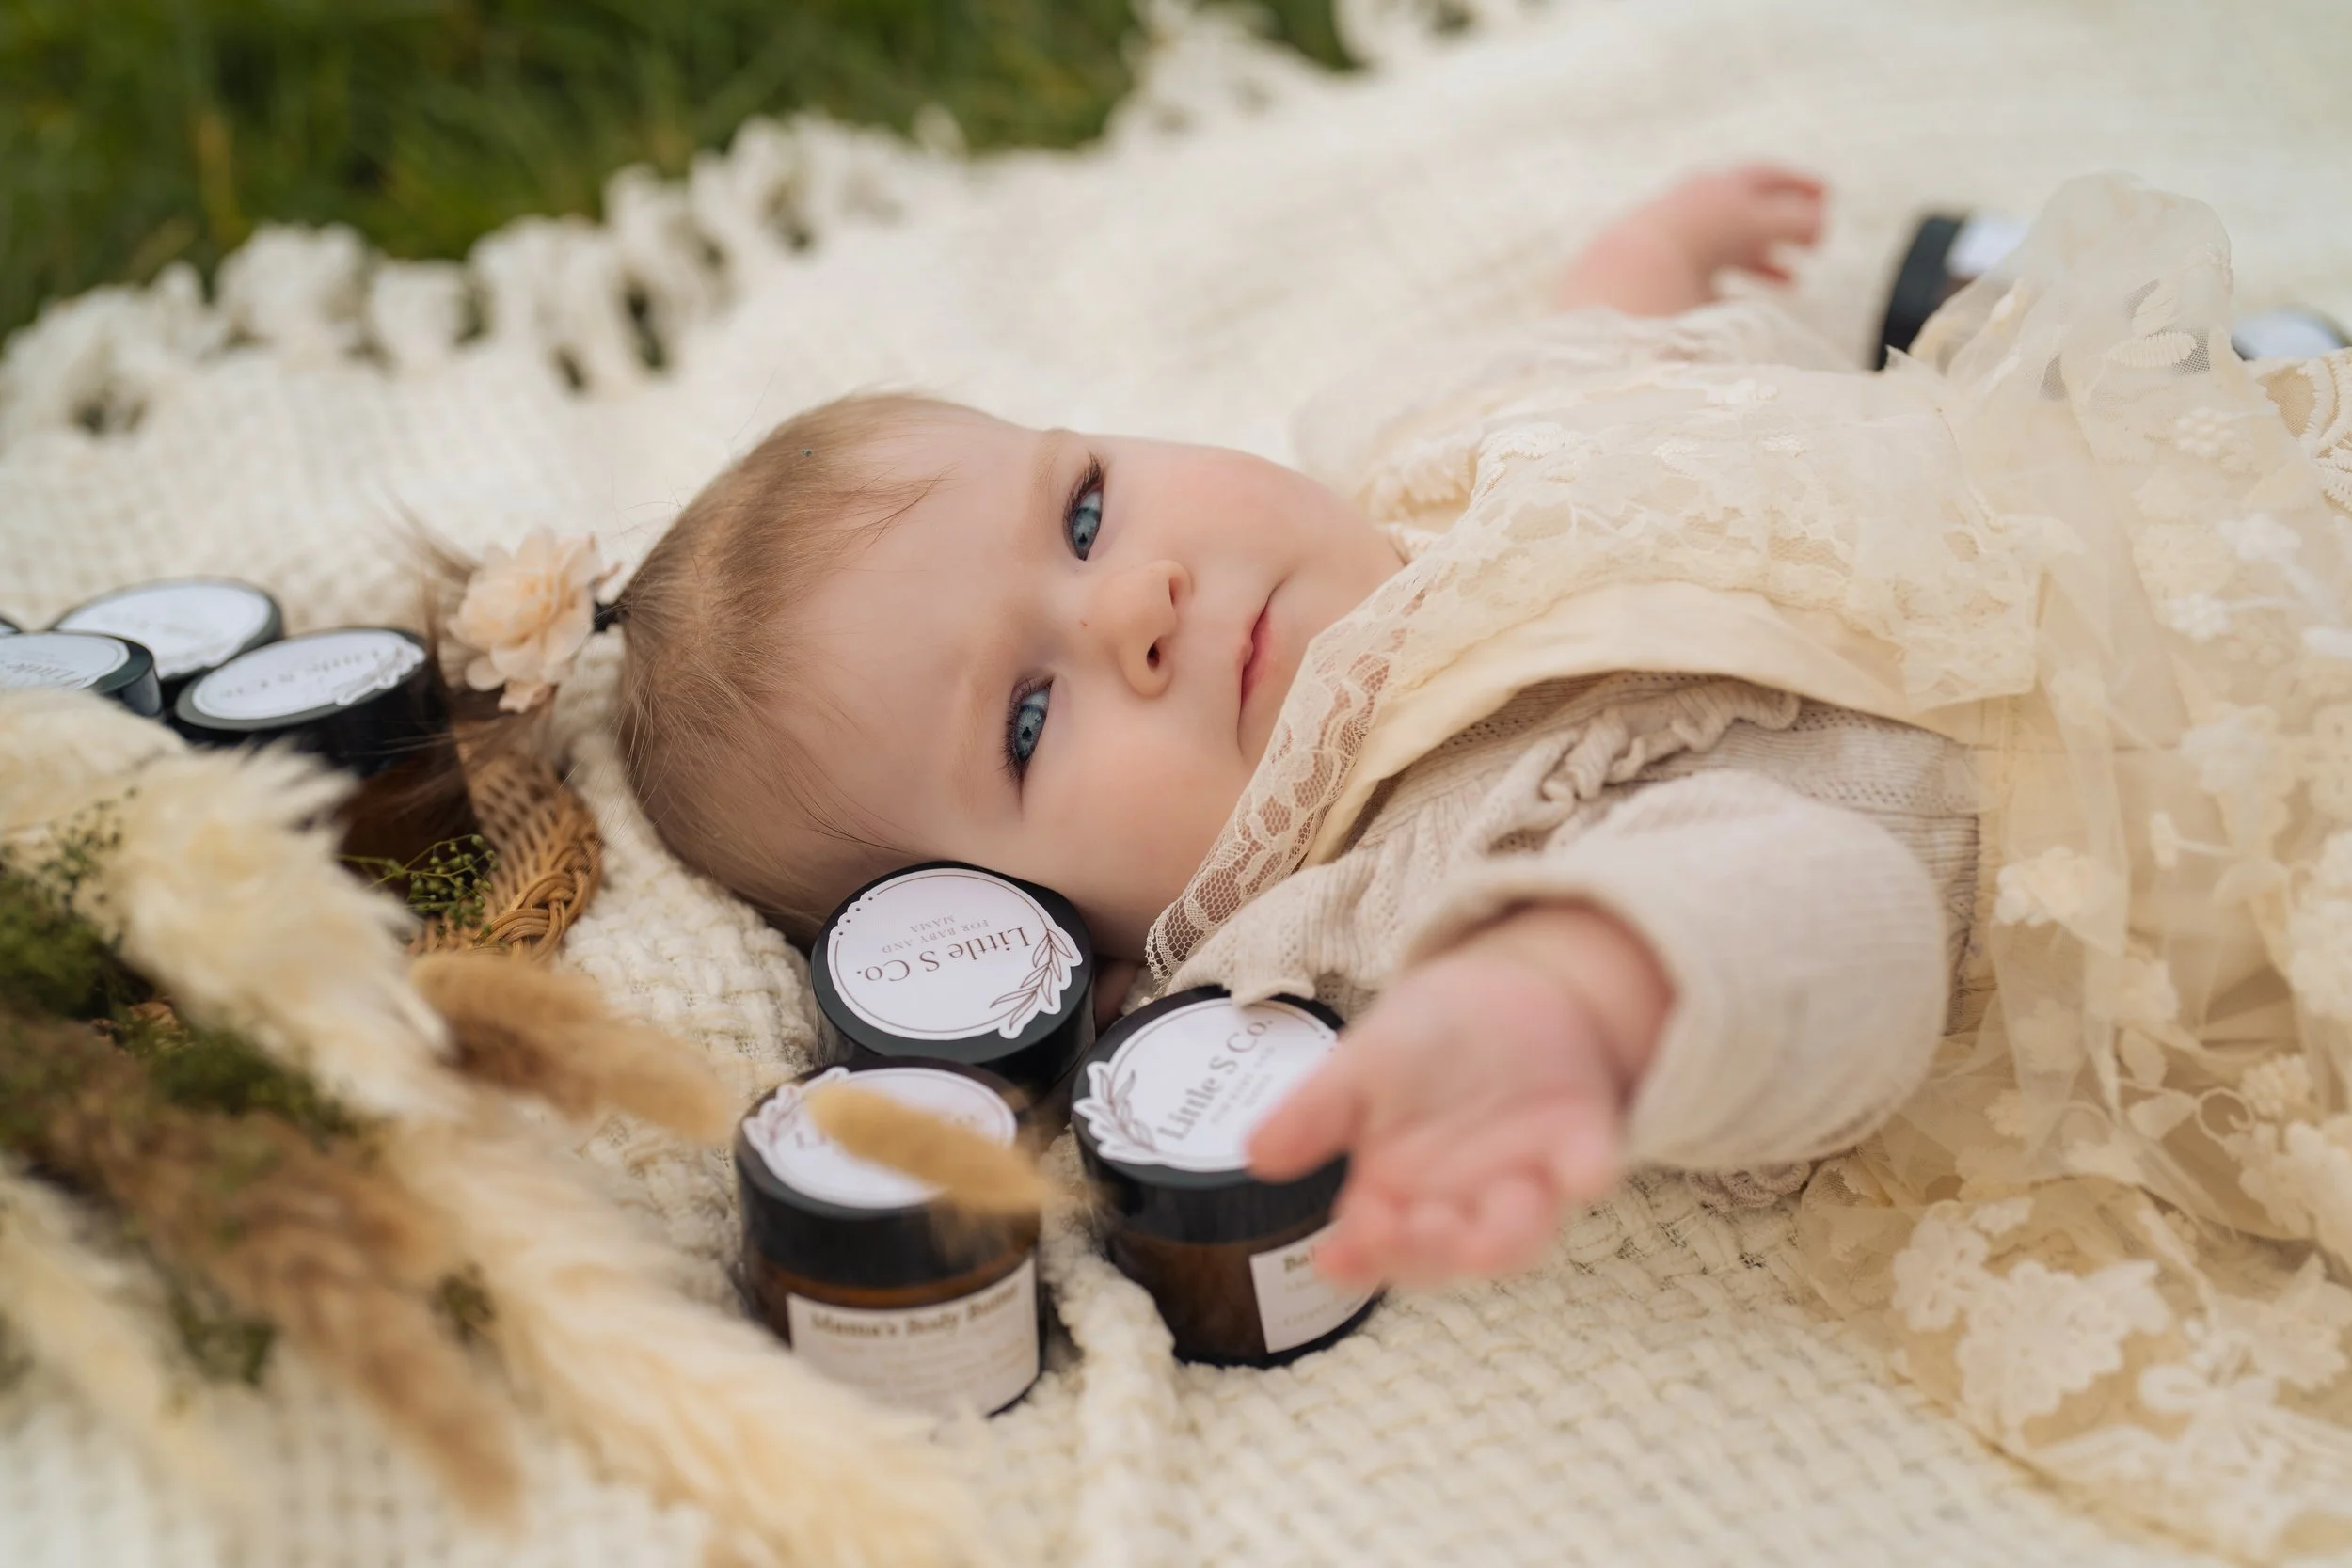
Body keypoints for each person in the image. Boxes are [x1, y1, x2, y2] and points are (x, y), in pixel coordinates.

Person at [612, 163, 2352, 1555]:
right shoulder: (1396, 879)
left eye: (1081, 509)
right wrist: (1577, 994)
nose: (1131, 602)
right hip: (2218, 844)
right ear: (1075, 954)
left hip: (2229, 543)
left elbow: (1576, 349)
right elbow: (1819, 902)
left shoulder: (1406, 446)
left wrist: (1650, 257)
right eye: (1025, 719)